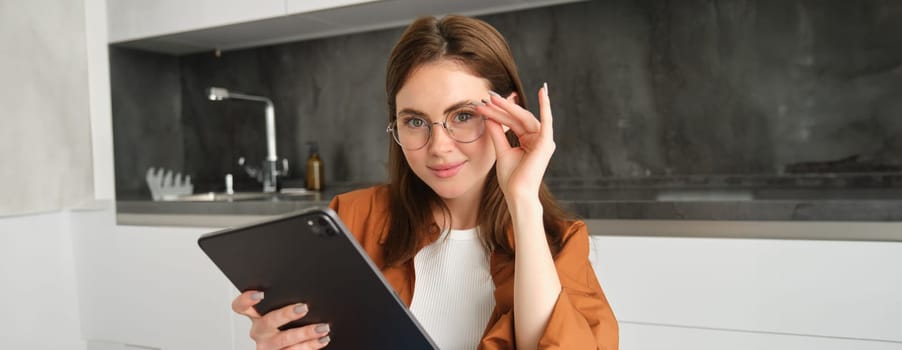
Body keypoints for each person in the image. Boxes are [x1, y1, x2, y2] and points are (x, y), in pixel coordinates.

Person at [231, 15, 618, 350]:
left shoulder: (558, 244)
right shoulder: (351, 219)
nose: (439, 147)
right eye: (415, 121)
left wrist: (522, 202)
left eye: (463, 115)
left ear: (509, 112)